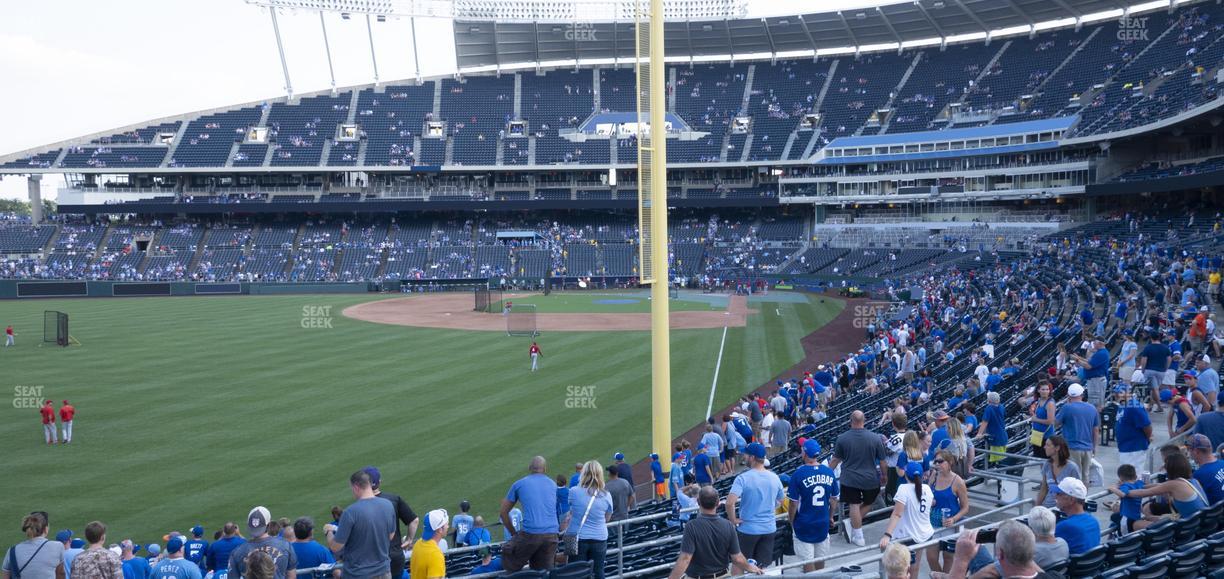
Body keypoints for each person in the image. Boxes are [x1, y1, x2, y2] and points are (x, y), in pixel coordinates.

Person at [666, 486, 763, 579]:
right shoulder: (728, 525)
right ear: (718, 503)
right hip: (723, 576)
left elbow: (685, 558)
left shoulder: (691, 526)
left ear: (698, 502)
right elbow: (737, 558)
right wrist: (751, 567)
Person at [829, 411, 889, 547]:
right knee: (869, 501)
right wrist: (884, 476)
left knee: (854, 505)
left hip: (850, 478)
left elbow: (835, 460)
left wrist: (825, 473)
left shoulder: (842, 438)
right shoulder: (875, 438)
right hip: (870, 478)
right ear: (865, 420)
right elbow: (883, 462)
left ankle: (857, 533)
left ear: (850, 420)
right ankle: (855, 530)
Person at [324, 470, 394, 579]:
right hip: (384, 572)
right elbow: (390, 536)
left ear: (356, 487)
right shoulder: (388, 505)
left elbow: (335, 547)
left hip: (358, 574)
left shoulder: (350, 512)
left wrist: (328, 531)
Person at [726, 442, 783, 567]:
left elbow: (729, 503)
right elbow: (781, 501)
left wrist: (733, 520)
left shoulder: (743, 478)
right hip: (769, 528)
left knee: (739, 565)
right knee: (762, 567)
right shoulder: (775, 477)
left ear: (752, 457)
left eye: (745, 455)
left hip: (748, 530)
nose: (744, 457)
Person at [787, 440, 839, 573]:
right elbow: (834, 499)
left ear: (804, 453)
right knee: (820, 558)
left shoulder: (798, 474)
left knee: (808, 561)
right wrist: (831, 516)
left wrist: (791, 520)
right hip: (822, 521)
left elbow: (793, 503)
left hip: (804, 523)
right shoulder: (828, 472)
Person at [500, 456, 559, 572]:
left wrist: (513, 533)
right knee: (543, 572)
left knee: (508, 558)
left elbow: (503, 513)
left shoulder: (519, 484)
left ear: (529, 468)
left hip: (530, 534)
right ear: (545, 469)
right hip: (552, 534)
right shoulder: (553, 484)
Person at [945, 522, 1062, 579]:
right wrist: (1021, 544)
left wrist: (961, 560)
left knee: (980, 549)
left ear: (1000, 554)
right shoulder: (1056, 576)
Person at [879, 462, 935, 579]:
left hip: (907, 536)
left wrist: (887, 534)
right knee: (914, 567)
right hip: (924, 534)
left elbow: (897, 514)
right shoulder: (927, 488)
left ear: (906, 475)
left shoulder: (903, 488)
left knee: (898, 571)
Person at [361, 467, 416, 579]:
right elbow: (414, 520)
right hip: (395, 557)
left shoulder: (358, 506)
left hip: (373, 561)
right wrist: (409, 540)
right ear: (379, 482)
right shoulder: (394, 499)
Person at [1121, 452, 1210, 519]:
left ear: (1171, 469)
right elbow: (1159, 485)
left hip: (1190, 527)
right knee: (1151, 518)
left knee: (1132, 522)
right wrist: (1135, 485)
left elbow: (1142, 493)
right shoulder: (1193, 481)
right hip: (1198, 522)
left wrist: (1122, 490)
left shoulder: (1174, 484)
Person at [564, 461, 613, 579]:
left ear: (583, 474)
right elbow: (607, 518)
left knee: (576, 573)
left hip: (578, 538)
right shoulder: (606, 495)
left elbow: (571, 511)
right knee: (598, 571)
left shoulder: (574, 491)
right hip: (599, 538)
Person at [928, 450, 969, 574]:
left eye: (940, 461)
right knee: (931, 558)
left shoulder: (958, 481)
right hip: (933, 523)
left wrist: (954, 519)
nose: (937, 464)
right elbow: (928, 495)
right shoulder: (934, 476)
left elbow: (965, 507)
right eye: (935, 462)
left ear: (950, 462)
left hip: (949, 525)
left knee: (948, 558)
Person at [230, 507, 296, 579]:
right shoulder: (285, 546)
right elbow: (291, 576)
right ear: (269, 525)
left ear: (249, 525)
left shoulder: (237, 552)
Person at [1055, 384, 1099, 482]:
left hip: (1072, 447)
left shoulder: (1067, 407)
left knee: (1073, 477)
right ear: (1082, 394)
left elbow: (1055, 423)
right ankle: (1083, 497)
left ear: (1069, 395)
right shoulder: (1092, 408)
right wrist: (1095, 447)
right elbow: (1095, 430)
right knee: (1085, 476)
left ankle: (1074, 497)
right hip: (1088, 447)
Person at [2, 512, 65, 579]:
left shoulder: (12, 551)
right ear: (45, 529)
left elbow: (5, 576)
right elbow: (60, 573)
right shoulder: (57, 546)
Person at [1052, 477, 1100, 555]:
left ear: (1071, 500)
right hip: (1090, 565)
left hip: (1075, 566)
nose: (1055, 496)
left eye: (1058, 494)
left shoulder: (1065, 526)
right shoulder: (1094, 521)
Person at [1114, 386, 1152, 474]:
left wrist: (1148, 438)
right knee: (1125, 475)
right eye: (1117, 393)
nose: (1118, 395)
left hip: (1134, 448)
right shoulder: (1123, 405)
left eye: (1121, 393)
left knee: (1132, 476)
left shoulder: (1135, 407)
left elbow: (1146, 425)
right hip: (1125, 447)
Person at [1034, 436, 1080, 509]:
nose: (1044, 447)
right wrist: (1036, 508)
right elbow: (1043, 489)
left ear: (1057, 448)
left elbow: (1077, 492)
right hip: (1047, 507)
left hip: (1065, 510)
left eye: (1048, 445)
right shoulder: (1047, 465)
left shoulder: (1072, 468)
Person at [1105, 464, 1146, 533]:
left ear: (1121, 478)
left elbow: (1122, 494)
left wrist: (1112, 488)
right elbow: (1144, 484)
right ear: (1135, 476)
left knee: (1125, 536)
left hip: (1126, 517)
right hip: (1136, 515)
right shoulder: (1139, 483)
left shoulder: (1125, 486)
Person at [407, 510, 447, 579]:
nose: (448, 526)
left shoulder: (418, 544)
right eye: (446, 524)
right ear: (440, 529)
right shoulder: (435, 555)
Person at [1138, 333, 1172, 411]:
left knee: (1154, 389)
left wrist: (1143, 369)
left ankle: (1159, 406)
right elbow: (1169, 359)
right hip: (1161, 371)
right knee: (1154, 389)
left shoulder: (1148, 348)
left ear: (1151, 338)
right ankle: (1150, 406)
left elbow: (1144, 360)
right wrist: (1166, 368)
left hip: (1150, 370)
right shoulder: (1165, 347)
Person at [1186, 433, 1224, 505]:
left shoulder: (1199, 475)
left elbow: (1192, 502)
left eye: (1189, 450)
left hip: (1214, 514)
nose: (1189, 454)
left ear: (1196, 451)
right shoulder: (1222, 462)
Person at [1074, 337, 1110, 409]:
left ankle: (1097, 419)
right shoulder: (1099, 352)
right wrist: (1079, 358)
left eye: (1095, 343)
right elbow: (1089, 361)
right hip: (1095, 380)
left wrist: (1077, 360)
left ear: (1100, 344)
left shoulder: (1102, 353)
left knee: (1096, 404)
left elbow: (1088, 366)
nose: (1093, 344)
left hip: (1097, 381)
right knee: (1093, 402)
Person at [975, 392, 1008, 468]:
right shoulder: (1001, 406)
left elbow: (985, 422)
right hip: (1003, 436)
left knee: (999, 462)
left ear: (989, 401)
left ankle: (1000, 478)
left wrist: (979, 434)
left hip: (996, 438)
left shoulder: (989, 408)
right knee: (1001, 459)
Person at [1029, 381, 1057, 458]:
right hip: (1036, 435)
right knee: (1038, 459)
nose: (1045, 391)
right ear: (1038, 390)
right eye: (1043, 389)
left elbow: (1050, 421)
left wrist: (1035, 419)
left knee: (1045, 461)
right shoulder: (1039, 401)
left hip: (1046, 437)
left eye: (1047, 389)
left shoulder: (1050, 403)